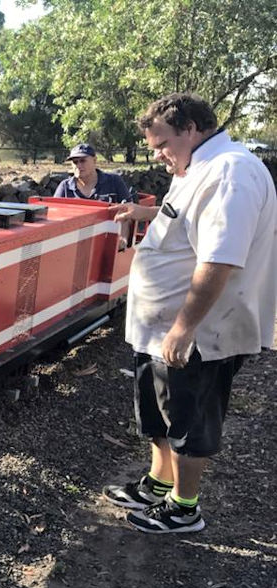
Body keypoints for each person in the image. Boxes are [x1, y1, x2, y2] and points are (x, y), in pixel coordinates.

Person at [103, 93, 277, 533]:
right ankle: (157, 488)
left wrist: (184, 328)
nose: (158, 153)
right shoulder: (196, 167)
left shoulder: (230, 173)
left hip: (200, 333)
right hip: (159, 328)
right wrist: (147, 211)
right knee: (160, 412)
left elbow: (220, 259)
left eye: (162, 143)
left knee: (189, 420)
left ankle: (185, 508)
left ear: (191, 129)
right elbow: (186, 223)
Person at [54, 143, 133, 203]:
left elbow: (129, 212)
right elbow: (54, 213)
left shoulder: (114, 181)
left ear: (94, 160)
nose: (78, 165)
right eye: (75, 162)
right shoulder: (65, 187)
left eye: (82, 161)